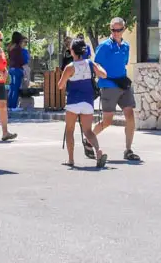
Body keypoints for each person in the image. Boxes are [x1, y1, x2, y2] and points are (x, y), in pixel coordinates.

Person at [92, 17, 140, 161]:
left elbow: (123, 63)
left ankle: (128, 149)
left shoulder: (126, 46)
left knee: (130, 115)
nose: (116, 32)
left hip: (123, 84)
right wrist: (102, 76)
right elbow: (96, 64)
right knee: (107, 121)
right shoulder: (104, 46)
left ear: (123, 29)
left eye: (119, 30)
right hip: (109, 85)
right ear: (110, 29)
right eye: (114, 30)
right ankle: (88, 139)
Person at [58, 38, 108, 168]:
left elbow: (60, 85)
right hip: (88, 101)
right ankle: (98, 151)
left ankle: (71, 159)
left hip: (73, 101)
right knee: (88, 131)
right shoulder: (90, 64)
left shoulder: (70, 67)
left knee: (69, 130)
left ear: (72, 51)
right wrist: (99, 66)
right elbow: (104, 74)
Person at [7, 31, 25, 110]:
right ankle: (13, 106)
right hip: (17, 69)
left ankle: (10, 105)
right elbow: (21, 60)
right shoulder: (18, 48)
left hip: (11, 68)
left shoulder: (10, 47)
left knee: (12, 88)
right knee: (16, 88)